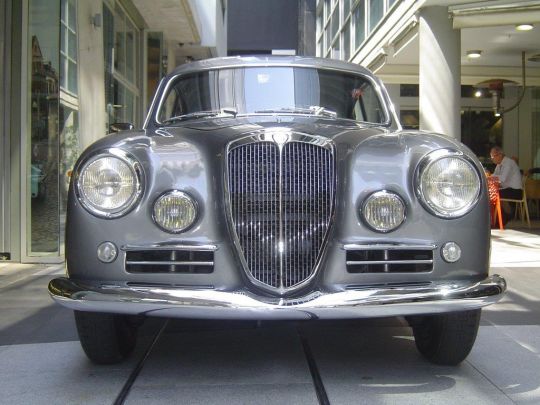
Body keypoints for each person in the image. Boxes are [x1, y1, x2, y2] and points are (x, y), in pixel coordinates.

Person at [489, 146, 523, 224]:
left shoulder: (509, 163)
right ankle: (496, 220)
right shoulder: (499, 165)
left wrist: (490, 177)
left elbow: (502, 178)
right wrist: (490, 177)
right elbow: (495, 176)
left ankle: (500, 221)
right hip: (508, 189)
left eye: (493, 156)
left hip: (516, 191)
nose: (492, 159)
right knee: (491, 194)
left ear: (500, 155)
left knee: (494, 195)